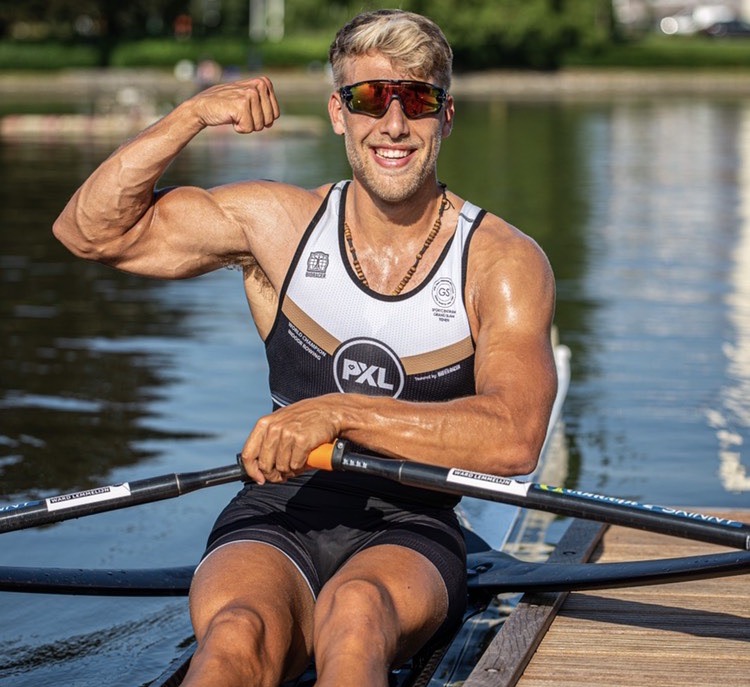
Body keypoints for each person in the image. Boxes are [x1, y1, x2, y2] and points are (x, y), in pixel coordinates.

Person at [53, 9, 557, 687]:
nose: (394, 123)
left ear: (447, 114)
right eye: (369, 97)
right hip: (283, 506)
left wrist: (338, 413)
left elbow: (515, 436)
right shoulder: (278, 224)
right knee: (234, 637)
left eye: (418, 98)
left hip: (412, 517)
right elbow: (90, 234)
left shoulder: (501, 260)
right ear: (337, 112)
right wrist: (191, 116)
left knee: (355, 617)